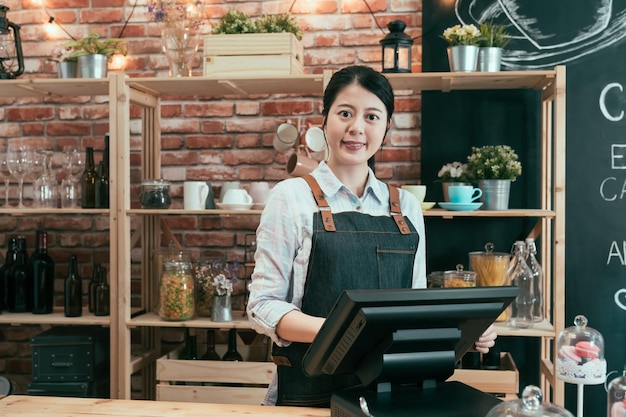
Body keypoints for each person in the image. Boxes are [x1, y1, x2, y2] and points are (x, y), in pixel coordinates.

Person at [247, 65, 496, 407]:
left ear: (387, 127)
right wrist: (344, 336)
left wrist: (463, 331)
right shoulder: (291, 197)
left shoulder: (406, 207)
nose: (356, 128)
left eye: (372, 116)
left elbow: (416, 306)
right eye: (345, 113)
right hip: (310, 393)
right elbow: (263, 306)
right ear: (325, 119)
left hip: (393, 394)